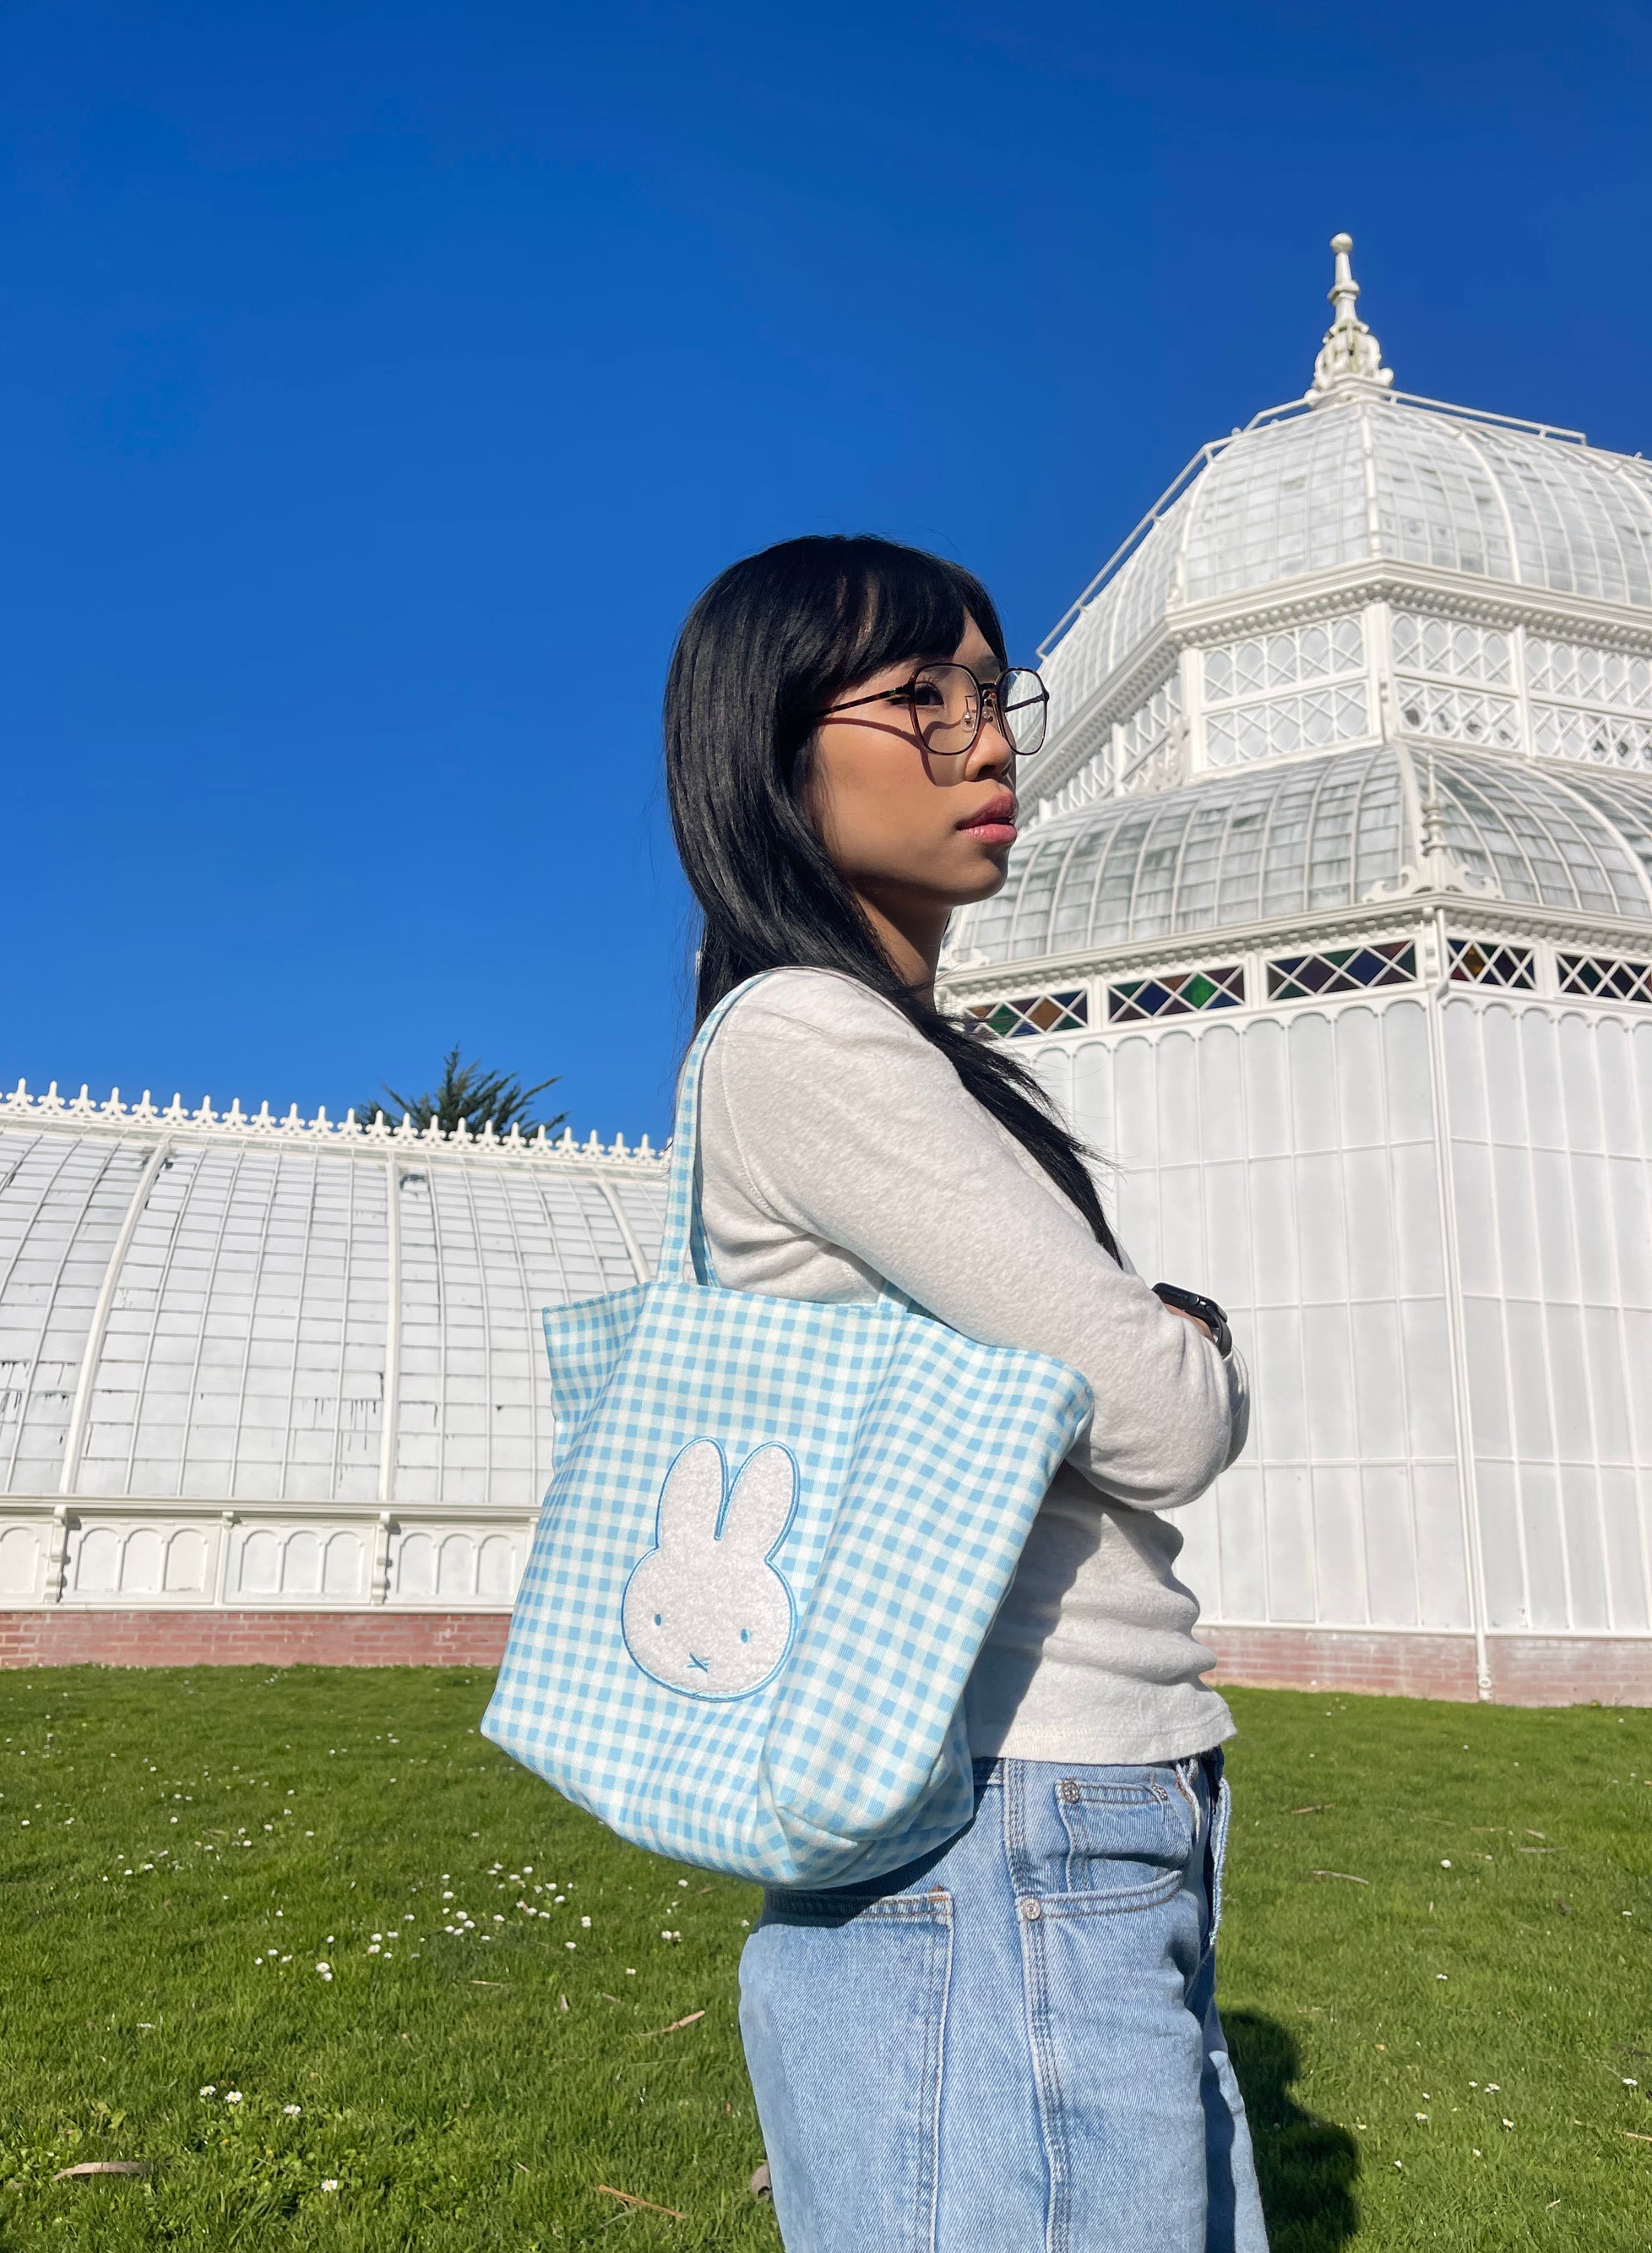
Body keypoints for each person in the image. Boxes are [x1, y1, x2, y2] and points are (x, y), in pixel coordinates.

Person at [662, 533, 1267, 2253]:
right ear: (768, 749)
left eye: (993, 691)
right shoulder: (812, 1041)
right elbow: (1159, 1413)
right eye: (918, 697)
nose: (987, 739)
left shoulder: (881, 1049)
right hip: (1006, 1816)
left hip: (1046, 1815)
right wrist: (1187, 1331)